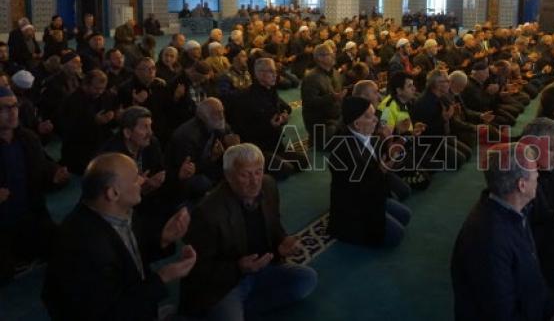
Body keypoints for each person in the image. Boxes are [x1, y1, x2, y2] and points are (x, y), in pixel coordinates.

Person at [42, 153, 197, 320]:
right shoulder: (84, 248)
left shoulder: (121, 211)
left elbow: (130, 256)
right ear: (113, 193)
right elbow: (112, 312)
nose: (142, 181)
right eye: (135, 178)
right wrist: (163, 277)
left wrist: (164, 238)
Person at [179, 144, 317, 319]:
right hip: (226, 284)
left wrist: (282, 242)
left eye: (258, 172)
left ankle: (240, 310)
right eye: (245, 174)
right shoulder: (208, 212)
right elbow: (197, 269)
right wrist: (239, 268)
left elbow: (275, 226)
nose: (255, 181)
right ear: (228, 176)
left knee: (306, 279)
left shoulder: (268, 185)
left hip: (262, 269)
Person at [451, 142, 554, 321]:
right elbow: (502, 314)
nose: (538, 174)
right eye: (535, 170)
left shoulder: (515, 209)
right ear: (522, 185)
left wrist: (553, 309)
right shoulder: (488, 241)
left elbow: (533, 273)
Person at [0, 86, 68, 283]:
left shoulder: (27, 138)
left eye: (14, 106)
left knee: (67, 247)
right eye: (4, 108)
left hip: (30, 215)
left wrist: (55, 175)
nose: (12, 112)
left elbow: (42, 169)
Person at [328, 96, 411, 247]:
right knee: (397, 236)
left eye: (374, 115)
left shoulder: (370, 135)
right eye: (369, 117)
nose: (375, 120)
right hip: (354, 209)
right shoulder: (343, 150)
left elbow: (385, 156)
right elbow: (360, 190)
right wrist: (383, 169)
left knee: (405, 216)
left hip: (373, 195)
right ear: (356, 123)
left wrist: (399, 137)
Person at [300, 44, 345, 150]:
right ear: (320, 58)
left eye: (334, 53)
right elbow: (309, 103)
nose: (334, 56)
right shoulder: (311, 78)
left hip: (336, 117)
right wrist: (332, 98)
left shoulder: (335, 73)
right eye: (330, 54)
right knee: (347, 144)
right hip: (322, 124)